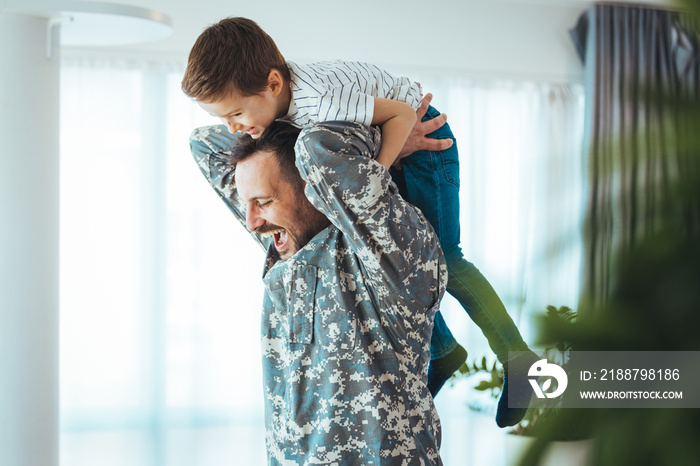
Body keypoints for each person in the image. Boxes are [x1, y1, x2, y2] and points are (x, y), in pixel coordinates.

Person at [181, 16, 538, 428]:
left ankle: (519, 359)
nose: (234, 126)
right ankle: (441, 350)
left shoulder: (320, 101)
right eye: (225, 117)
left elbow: (401, 115)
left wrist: (377, 178)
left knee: (442, 259)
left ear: (274, 84)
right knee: (386, 260)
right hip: (383, 140)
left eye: (237, 113)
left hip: (420, 139)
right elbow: (216, 139)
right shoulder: (276, 104)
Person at [190, 119, 445, 464]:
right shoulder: (287, 246)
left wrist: (386, 136)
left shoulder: (389, 256)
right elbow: (203, 143)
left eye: (262, 201)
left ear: (315, 189)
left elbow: (315, 145)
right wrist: (267, 117)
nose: (251, 221)